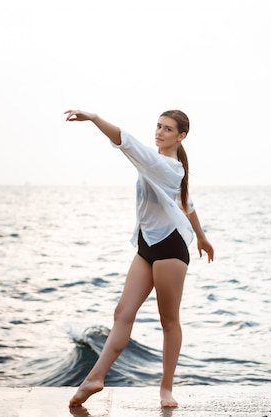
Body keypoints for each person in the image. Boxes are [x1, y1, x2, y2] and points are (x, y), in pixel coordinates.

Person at [64, 109, 214, 408]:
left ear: (181, 136)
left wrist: (94, 118)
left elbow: (127, 142)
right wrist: (202, 236)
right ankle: (95, 378)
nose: (159, 132)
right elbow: (186, 201)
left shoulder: (168, 167)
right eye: (158, 126)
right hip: (147, 245)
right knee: (122, 313)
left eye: (168, 129)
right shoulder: (163, 166)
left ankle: (166, 389)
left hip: (170, 248)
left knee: (168, 321)